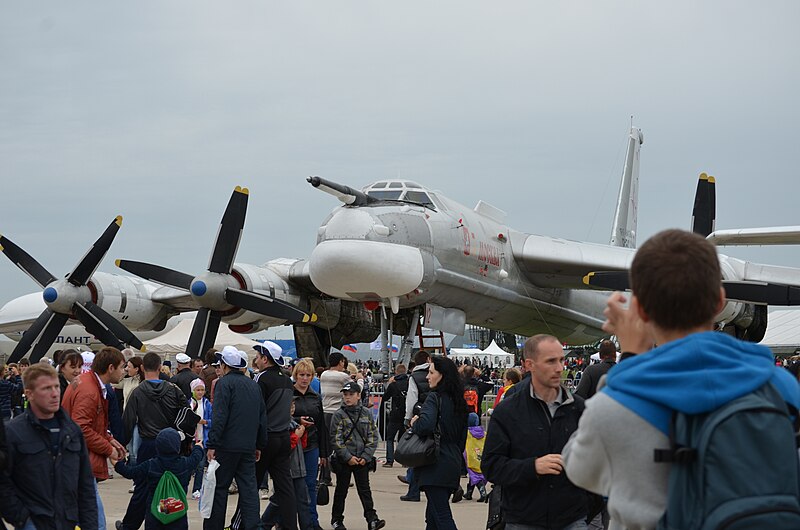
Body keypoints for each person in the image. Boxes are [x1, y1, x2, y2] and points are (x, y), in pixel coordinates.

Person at [562, 229, 800, 530]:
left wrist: (632, 359)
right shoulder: (781, 387)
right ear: (720, 301)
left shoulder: (616, 405)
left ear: (642, 311)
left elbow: (579, 468)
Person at [483, 335, 588, 530]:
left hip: (572, 519)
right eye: (551, 361)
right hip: (524, 520)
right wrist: (533, 467)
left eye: (561, 360)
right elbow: (491, 466)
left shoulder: (579, 409)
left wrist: (584, 508)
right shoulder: (508, 411)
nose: (559, 368)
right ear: (530, 365)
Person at [0, 362, 98, 529]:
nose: (54, 394)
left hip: (69, 522)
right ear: (29, 393)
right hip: (35, 522)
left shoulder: (72, 431)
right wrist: (22, 518)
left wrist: (90, 525)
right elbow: (3, 483)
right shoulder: (13, 433)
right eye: (46, 389)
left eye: (56, 387)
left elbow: (85, 485)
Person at [228, 341, 297, 530]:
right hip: (283, 437)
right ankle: (291, 526)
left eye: (258, 356)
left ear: (265, 359)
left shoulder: (261, 379)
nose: (256, 359)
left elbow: (256, 410)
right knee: (285, 488)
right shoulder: (286, 380)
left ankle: (239, 525)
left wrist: (256, 442)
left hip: (266, 438)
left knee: (250, 486)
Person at [118, 352, 188, 530]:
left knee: (142, 488)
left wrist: (121, 445)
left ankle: (129, 526)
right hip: (172, 444)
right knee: (173, 487)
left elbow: (128, 421)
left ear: (142, 368)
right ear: (160, 368)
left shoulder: (137, 392)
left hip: (148, 444)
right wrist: (185, 440)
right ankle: (171, 520)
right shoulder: (173, 390)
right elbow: (188, 414)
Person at [62, 346, 128, 530]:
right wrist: (108, 449)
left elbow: (90, 423)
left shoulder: (87, 382)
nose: (124, 371)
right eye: (122, 367)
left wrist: (108, 437)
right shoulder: (90, 390)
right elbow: (81, 428)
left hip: (76, 460)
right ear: (110, 368)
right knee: (95, 522)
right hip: (78, 462)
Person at [204, 346, 268, 530]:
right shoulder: (253, 385)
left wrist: (212, 443)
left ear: (224, 365)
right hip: (248, 446)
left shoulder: (224, 383)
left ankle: (213, 526)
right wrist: (259, 445)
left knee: (220, 489)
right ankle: (254, 526)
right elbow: (261, 418)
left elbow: (220, 416)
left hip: (226, 446)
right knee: (248, 490)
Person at [409, 355, 468, 530]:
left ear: (442, 375)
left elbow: (425, 425)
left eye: (431, 372)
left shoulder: (434, 398)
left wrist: (415, 422)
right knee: (433, 518)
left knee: (442, 516)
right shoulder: (459, 402)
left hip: (435, 462)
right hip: (452, 461)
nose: (427, 376)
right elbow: (462, 439)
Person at [113, 428, 205, 530]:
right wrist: (198, 447)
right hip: (177, 515)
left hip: (155, 514)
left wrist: (115, 461)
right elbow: (196, 457)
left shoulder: (150, 465)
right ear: (177, 447)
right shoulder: (184, 464)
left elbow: (129, 472)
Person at [330, 381, 385, 530]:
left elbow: (373, 437)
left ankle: (372, 519)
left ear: (358, 396)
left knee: (365, 491)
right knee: (341, 491)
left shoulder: (366, 413)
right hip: (344, 461)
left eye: (351, 395)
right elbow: (336, 439)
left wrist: (365, 457)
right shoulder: (338, 415)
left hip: (362, 460)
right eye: (345, 395)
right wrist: (348, 457)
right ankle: (336, 520)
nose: (347, 398)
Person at [261, 397, 314, 530]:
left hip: (299, 468)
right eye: (288, 405)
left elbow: (302, 445)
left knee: (302, 501)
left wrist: (303, 432)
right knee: (279, 500)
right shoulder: (280, 425)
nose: (292, 408)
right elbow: (284, 447)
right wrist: (297, 435)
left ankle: (306, 526)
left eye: (293, 405)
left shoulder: (293, 422)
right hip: (287, 470)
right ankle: (265, 524)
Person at [291, 358, 328, 530]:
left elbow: (321, 426)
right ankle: (288, 521)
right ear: (295, 375)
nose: (304, 378)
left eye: (308, 375)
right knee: (290, 486)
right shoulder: (289, 395)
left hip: (312, 445)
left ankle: (312, 522)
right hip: (292, 446)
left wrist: (324, 454)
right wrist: (298, 420)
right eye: (301, 375)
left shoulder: (316, 397)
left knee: (310, 485)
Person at [320, 352, 361, 485]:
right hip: (338, 414)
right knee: (340, 445)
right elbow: (355, 389)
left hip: (325, 412)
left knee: (326, 446)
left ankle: (325, 477)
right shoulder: (343, 376)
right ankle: (342, 476)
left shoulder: (324, 374)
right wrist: (359, 379)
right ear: (341, 362)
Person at [399, 350, 433, 502]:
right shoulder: (436, 374)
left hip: (420, 416)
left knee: (416, 452)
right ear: (428, 359)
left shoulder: (414, 377)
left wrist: (407, 418)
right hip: (435, 416)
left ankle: (413, 491)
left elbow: (411, 399)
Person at [379, 363, 409, 468]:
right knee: (403, 439)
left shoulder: (393, 385)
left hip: (395, 414)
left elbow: (385, 397)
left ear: (396, 372)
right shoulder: (409, 383)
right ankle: (404, 461)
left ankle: (389, 460)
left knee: (390, 438)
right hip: (406, 414)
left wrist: (390, 383)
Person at [189, 378, 212, 499]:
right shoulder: (189, 404)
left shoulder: (207, 404)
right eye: (198, 390)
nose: (200, 392)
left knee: (200, 465)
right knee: (188, 465)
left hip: (203, 439)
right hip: (191, 439)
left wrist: (205, 422)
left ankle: (197, 489)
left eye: (202, 390)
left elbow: (213, 420)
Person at [463, 412, 488, 502]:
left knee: (475, 476)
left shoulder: (467, 432)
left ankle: (483, 492)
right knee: (474, 476)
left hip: (470, 458)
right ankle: (469, 493)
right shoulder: (484, 433)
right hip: (481, 457)